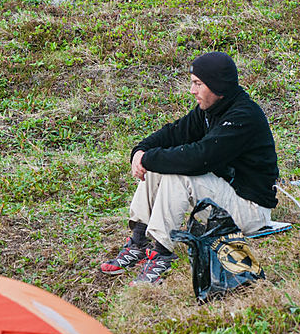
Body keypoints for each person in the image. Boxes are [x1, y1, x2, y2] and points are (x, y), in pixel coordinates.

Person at [100, 52, 279, 285]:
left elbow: (200, 159)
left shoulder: (243, 116)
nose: (192, 90)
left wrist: (150, 158)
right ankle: (138, 241)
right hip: (227, 199)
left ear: (217, 85)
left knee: (178, 175)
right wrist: (140, 152)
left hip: (251, 211)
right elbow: (173, 133)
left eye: (198, 84)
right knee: (156, 165)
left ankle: (162, 253)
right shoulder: (211, 110)